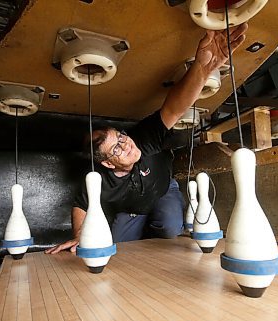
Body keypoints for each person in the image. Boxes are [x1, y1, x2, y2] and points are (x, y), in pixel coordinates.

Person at [46, 23, 248, 254]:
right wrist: (80, 235)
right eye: (117, 149)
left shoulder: (142, 138)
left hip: (164, 191)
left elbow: (174, 108)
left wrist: (202, 67)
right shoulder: (98, 178)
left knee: (170, 227)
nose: (126, 144)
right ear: (108, 163)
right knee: (118, 248)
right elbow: (81, 205)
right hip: (133, 210)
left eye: (120, 137)